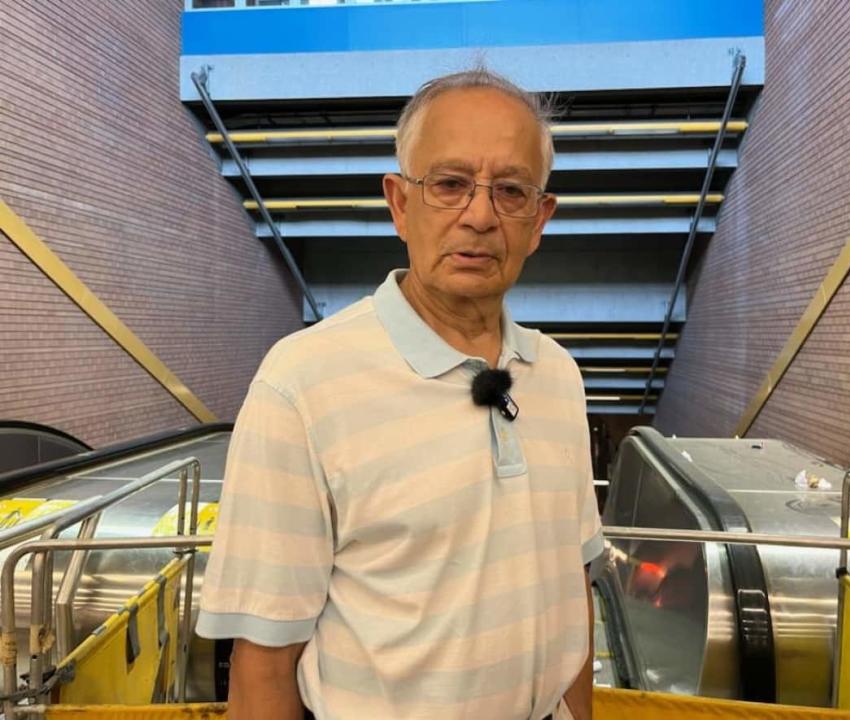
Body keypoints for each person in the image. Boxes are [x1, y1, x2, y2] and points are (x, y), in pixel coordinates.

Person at [197, 67, 604, 720]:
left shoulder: (558, 375)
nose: (479, 215)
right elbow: (264, 666)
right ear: (399, 202)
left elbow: (572, 586)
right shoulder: (302, 386)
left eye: (510, 191)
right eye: (449, 184)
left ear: (539, 219)